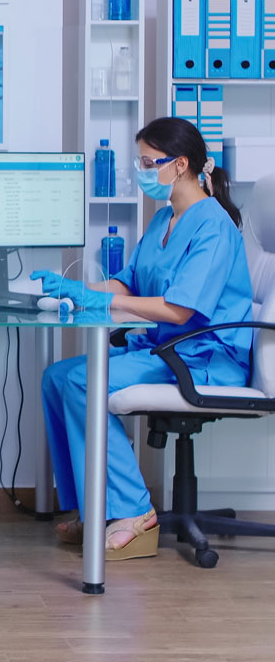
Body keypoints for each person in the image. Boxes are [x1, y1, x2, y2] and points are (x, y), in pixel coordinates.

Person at [31, 117, 253, 560]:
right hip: (167, 348)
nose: (142, 172)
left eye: (149, 163)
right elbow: (129, 285)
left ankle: (133, 512)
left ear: (181, 164)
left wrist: (104, 304)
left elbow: (179, 309)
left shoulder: (214, 226)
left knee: (81, 382)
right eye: (140, 162)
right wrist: (77, 288)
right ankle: (94, 510)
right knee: (58, 377)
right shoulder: (163, 220)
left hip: (203, 356)